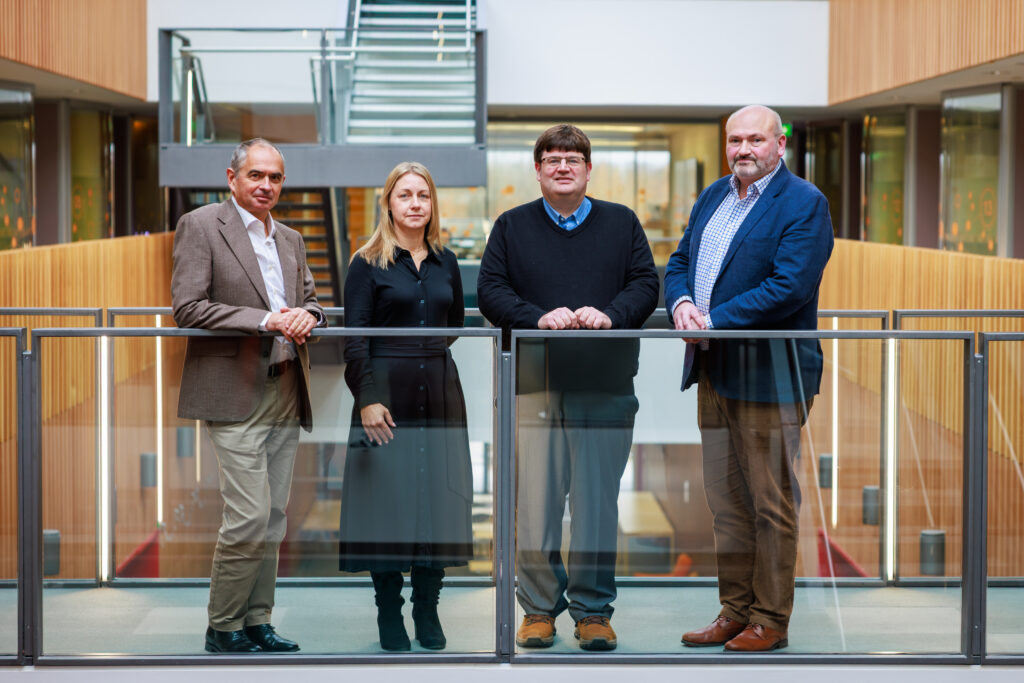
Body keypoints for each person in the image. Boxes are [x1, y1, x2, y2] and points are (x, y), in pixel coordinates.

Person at [477, 124, 659, 652]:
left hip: (605, 386)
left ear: (587, 168)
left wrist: (610, 314)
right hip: (535, 384)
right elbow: (491, 291)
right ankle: (537, 610)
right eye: (552, 159)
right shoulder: (511, 226)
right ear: (538, 170)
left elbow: (646, 284)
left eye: (572, 159)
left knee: (597, 505)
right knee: (534, 504)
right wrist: (537, 318)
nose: (562, 167)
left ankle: (594, 611)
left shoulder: (622, 223)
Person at [664, 105, 834, 652]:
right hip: (713, 372)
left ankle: (771, 621)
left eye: (755, 139)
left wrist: (713, 320)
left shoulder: (804, 204)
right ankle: (734, 611)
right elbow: (679, 261)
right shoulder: (715, 194)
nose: (743, 149)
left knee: (771, 503)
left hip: (770, 376)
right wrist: (684, 303)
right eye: (735, 139)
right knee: (726, 503)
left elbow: (788, 287)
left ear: (779, 143)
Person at [172, 138, 325, 654]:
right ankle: (222, 625)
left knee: (275, 517)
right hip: (234, 390)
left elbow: (310, 302)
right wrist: (266, 320)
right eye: (256, 175)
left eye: (275, 178)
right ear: (232, 177)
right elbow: (188, 307)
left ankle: (258, 620)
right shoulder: (201, 225)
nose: (266, 186)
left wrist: (310, 316)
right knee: (248, 516)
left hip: (286, 385)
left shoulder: (290, 238)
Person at [339, 161, 473, 652]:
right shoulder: (366, 263)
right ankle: (390, 613)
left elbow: (453, 321)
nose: (415, 203)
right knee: (387, 506)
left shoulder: (446, 261)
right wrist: (368, 399)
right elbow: (354, 340)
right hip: (384, 397)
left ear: (432, 204)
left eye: (423, 195)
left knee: (435, 500)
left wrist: (426, 356)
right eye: (405, 195)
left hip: (439, 393)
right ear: (388, 203)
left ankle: (428, 608)